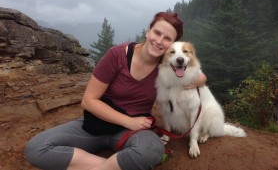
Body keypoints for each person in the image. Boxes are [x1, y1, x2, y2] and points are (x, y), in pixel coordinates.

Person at [24, 12, 207, 170]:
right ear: (148, 30)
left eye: (167, 39)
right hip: (98, 124)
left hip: (133, 133)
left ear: (172, 45)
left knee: (152, 150)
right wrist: (129, 121)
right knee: (36, 148)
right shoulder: (117, 55)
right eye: (157, 32)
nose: (159, 41)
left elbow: (197, 75)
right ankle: (112, 165)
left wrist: (201, 79)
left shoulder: (167, 65)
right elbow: (88, 101)